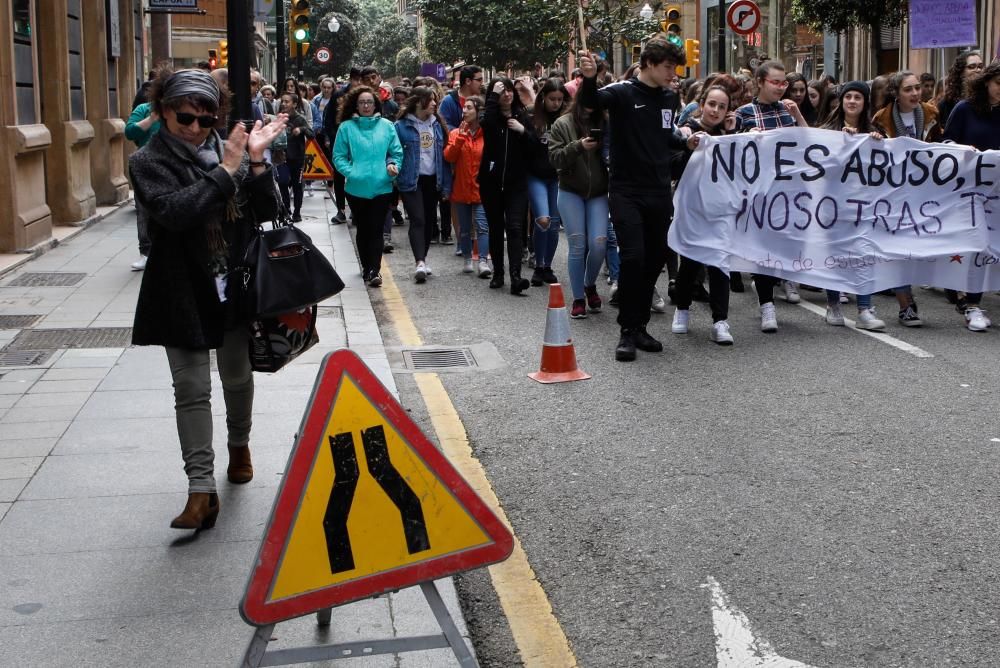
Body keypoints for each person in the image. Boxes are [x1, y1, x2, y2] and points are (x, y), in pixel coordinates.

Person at [128, 69, 286, 530]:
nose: (197, 129)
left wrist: (256, 163)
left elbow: (269, 211)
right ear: (161, 113)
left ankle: (240, 445)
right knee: (191, 389)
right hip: (180, 286)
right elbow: (177, 213)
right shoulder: (148, 161)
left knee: (236, 377)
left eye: (207, 120)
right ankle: (201, 491)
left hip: (231, 282)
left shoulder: (227, 151)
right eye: (184, 118)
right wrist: (227, 170)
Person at [577, 40, 699, 361]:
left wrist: (686, 142)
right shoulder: (621, 93)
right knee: (633, 257)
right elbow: (589, 102)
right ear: (648, 63)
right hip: (626, 190)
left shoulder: (670, 97)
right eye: (668, 67)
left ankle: (641, 325)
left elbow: (663, 136)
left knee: (655, 259)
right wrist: (589, 77)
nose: (674, 74)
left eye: (675, 67)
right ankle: (626, 331)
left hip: (658, 190)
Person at [733, 60, 808, 333]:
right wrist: (744, 136)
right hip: (755, 193)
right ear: (760, 82)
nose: (780, 88)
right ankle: (767, 305)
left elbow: (808, 144)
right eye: (775, 82)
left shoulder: (787, 112)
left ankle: (767, 281)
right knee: (762, 249)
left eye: (783, 83)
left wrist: (798, 116)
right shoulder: (744, 113)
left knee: (781, 247)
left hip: (786, 192)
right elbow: (728, 146)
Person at [669, 84, 737, 344]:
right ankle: (682, 309)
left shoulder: (730, 135)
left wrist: (732, 135)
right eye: (712, 104)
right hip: (692, 209)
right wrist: (689, 148)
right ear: (701, 104)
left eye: (722, 106)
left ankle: (720, 321)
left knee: (720, 262)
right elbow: (673, 168)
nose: (716, 110)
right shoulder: (686, 131)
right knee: (690, 262)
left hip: (721, 210)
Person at [818, 81, 887, 331]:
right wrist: (839, 142)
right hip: (833, 206)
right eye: (849, 97)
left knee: (864, 256)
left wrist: (878, 142)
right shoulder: (828, 130)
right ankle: (833, 304)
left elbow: (886, 165)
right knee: (835, 256)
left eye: (858, 97)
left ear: (865, 102)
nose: (852, 101)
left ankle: (864, 309)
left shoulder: (875, 131)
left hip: (864, 206)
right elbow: (820, 166)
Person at [942, 61, 1000, 331]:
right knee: (978, 245)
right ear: (986, 82)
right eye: (999, 84)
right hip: (971, 192)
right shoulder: (964, 109)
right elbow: (946, 144)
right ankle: (972, 304)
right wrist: (964, 149)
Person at [333, 86, 403, 287]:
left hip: (382, 186)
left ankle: (374, 270)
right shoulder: (346, 127)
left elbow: (396, 153)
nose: (366, 106)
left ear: (376, 105)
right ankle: (366, 266)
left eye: (369, 102)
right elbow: (338, 156)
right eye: (362, 102)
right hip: (356, 188)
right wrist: (352, 172)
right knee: (363, 229)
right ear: (356, 105)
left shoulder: (387, 126)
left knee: (376, 228)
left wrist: (393, 166)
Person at [547, 95, 609, 318]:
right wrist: (578, 146)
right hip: (570, 191)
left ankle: (589, 284)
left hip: (599, 192)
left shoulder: (606, 123)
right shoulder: (562, 124)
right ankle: (578, 298)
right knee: (577, 245)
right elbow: (554, 158)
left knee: (599, 243)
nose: (590, 110)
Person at [479, 77, 535, 295]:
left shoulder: (522, 116)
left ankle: (515, 277)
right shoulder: (491, 117)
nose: (507, 95)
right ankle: (498, 274)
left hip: (516, 184)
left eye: (510, 91)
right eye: (502, 92)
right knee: (495, 228)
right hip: (491, 183)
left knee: (514, 227)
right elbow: (486, 123)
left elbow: (535, 146)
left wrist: (522, 131)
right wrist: (492, 96)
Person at [395, 86, 452, 283]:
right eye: (431, 99)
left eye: (436, 100)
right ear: (419, 101)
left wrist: (446, 185)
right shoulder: (401, 126)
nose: (435, 104)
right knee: (418, 219)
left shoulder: (437, 125)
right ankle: (419, 262)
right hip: (411, 180)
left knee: (428, 220)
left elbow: (445, 157)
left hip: (432, 180)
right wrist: (393, 169)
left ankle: (423, 258)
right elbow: (394, 152)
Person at [443, 96, 491, 277]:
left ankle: (484, 261)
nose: (464, 111)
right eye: (464, 108)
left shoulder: (487, 133)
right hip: (461, 188)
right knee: (464, 229)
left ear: (478, 111)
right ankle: (467, 258)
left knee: (482, 226)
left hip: (481, 189)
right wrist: (461, 138)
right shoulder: (455, 133)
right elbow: (449, 157)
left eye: (469, 108)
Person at [527, 79, 569, 286]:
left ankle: (546, 266)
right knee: (542, 220)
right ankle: (538, 264)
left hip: (557, 177)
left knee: (552, 226)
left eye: (560, 100)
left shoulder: (566, 118)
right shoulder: (532, 116)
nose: (556, 103)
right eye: (552, 99)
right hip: (535, 175)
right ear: (543, 97)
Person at [124, 100, 162, 271]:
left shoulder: (176, 108)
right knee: (144, 211)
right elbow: (130, 132)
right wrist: (151, 119)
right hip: (144, 167)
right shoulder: (143, 109)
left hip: (169, 165)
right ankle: (145, 253)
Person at [274, 92, 313, 222]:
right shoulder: (279, 118)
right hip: (282, 158)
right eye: (282, 101)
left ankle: (297, 212)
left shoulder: (300, 118)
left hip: (297, 158)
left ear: (295, 104)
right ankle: (286, 210)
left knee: (297, 186)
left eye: (287, 102)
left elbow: (311, 134)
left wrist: (301, 129)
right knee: (283, 184)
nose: (284, 104)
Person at [938, 49, 984, 128]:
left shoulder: (989, 98)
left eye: (980, 66)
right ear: (961, 72)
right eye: (972, 67)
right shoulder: (947, 103)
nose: (978, 70)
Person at [440, 65, 484, 130]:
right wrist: (460, 133)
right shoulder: (448, 101)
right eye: (479, 80)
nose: (482, 83)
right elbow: (444, 126)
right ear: (468, 81)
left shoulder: (482, 101)